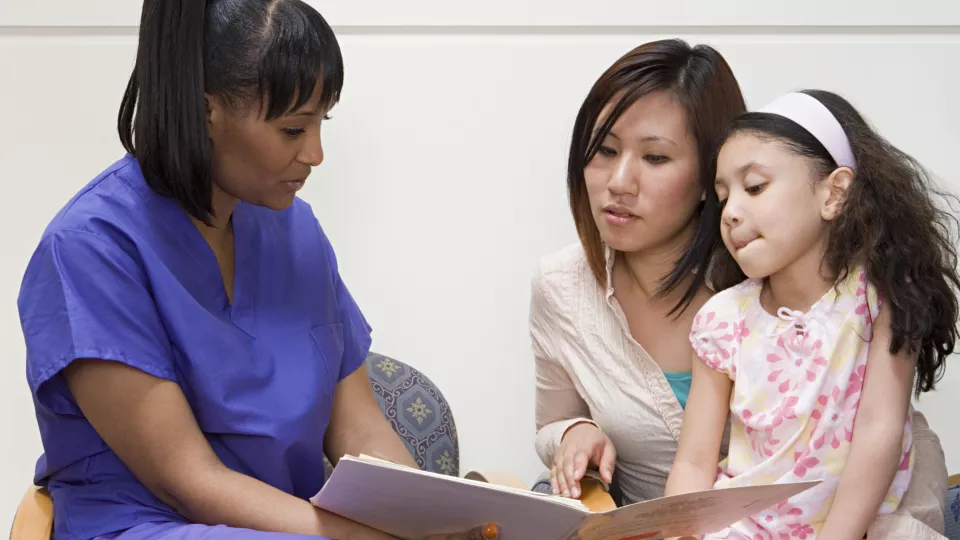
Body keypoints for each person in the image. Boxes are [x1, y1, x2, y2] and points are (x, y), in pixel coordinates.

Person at [17, 1, 496, 539]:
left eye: (322, 123)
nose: (315, 153)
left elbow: (359, 426)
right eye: (293, 129)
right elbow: (190, 483)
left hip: (292, 523)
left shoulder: (297, 232)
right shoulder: (90, 249)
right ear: (206, 112)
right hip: (152, 526)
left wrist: (426, 516)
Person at [529, 38, 950, 535]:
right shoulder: (578, 290)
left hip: (872, 513)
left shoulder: (828, 279)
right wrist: (575, 432)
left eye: (656, 158)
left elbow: (877, 429)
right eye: (604, 150)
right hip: (732, 523)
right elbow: (676, 459)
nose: (620, 181)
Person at [664, 90, 959, 539]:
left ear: (834, 194)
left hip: (859, 526)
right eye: (723, 198)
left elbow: (879, 432)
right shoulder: (722, 320)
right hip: (746, 530)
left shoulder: (882, 297)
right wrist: (679, 533)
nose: (731, 213)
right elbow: (694, 460)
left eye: (755, 187)